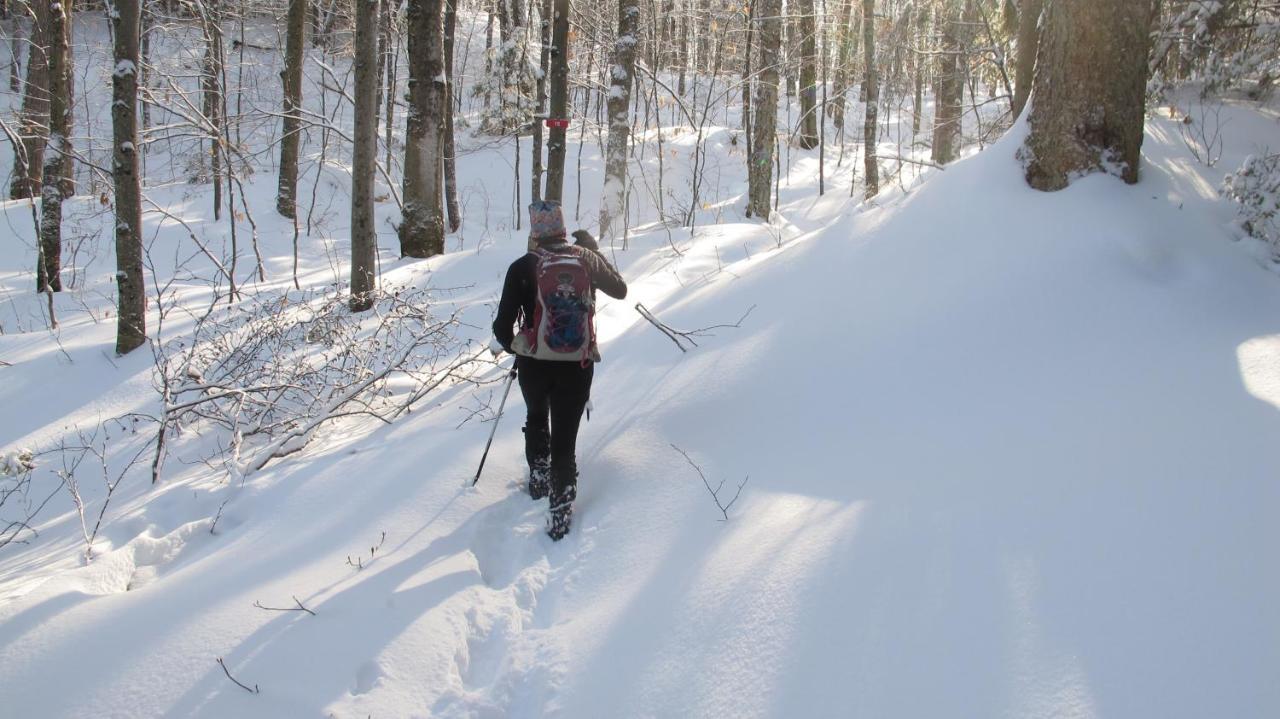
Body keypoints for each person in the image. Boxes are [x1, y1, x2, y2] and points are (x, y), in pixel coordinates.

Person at [493, 201, 627, 540]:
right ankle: (560, 513)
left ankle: (538, 479)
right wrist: (593, 250)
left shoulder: (522, 266)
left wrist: (520, 346)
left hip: (534, 364)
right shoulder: (586, 258)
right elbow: (620, 290)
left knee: (537, 416)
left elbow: (501, 327)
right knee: (565, 441)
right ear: (563, 228)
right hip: (576, 365)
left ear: (535, 232)